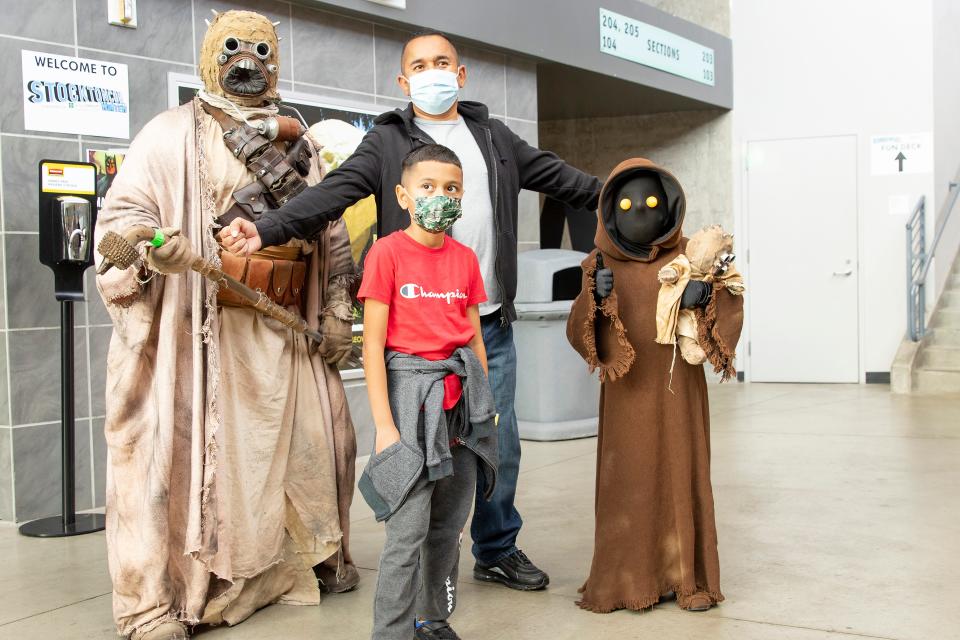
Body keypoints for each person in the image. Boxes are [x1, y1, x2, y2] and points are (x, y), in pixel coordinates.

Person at [220, 30, 602, 590]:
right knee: (417, 449)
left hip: (484, 324)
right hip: (414, 336)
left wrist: (638, 193)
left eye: (442, 62)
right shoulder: (386, 142)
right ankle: (421, 564)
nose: (433, 72)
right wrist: (266, 228)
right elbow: (331, 197)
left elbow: (568, 181)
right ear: (404, 81)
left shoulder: (496, 139)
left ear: (461, 73)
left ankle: (496, 548)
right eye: (419, 65)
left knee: (498, 442)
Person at [94, 11, 358, 639]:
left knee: (315, 447)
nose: (250, 60)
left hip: (285, 332)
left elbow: (332, 238)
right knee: (175, 462)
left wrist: (337, 309)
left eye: (263, 49)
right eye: (234, 48)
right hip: (201, 333)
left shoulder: (303, 145)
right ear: (212, 56)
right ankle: (167, 599)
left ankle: (289, 566)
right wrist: (144, 245)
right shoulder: (168, 136)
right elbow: (122, 222)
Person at [566, 158, 744, 613]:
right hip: (628, 396)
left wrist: (705, 295)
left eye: (650, 202)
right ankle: (628, 578)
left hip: (679, 393)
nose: (639, 212)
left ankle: (687, 578)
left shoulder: (690, 258)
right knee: (628, 482)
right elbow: (580, 333)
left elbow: (728, 304)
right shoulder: (599, 262)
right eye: (626, 204)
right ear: (609, 210)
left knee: (681, 474)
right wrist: (597, 296)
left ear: (669, 207)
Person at [357, 144, 498, 640]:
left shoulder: (464, 260)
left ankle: (431, 621)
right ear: (404, 195)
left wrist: (485, 409)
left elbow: (475, 337)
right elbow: (372, 345)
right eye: (428, 187)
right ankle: (390, 633)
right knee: (407, 531)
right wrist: (383, 427)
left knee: (447, 529)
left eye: (451, 188)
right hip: (410, 404)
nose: (440, 196)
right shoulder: (387, 253)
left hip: (460, 408)